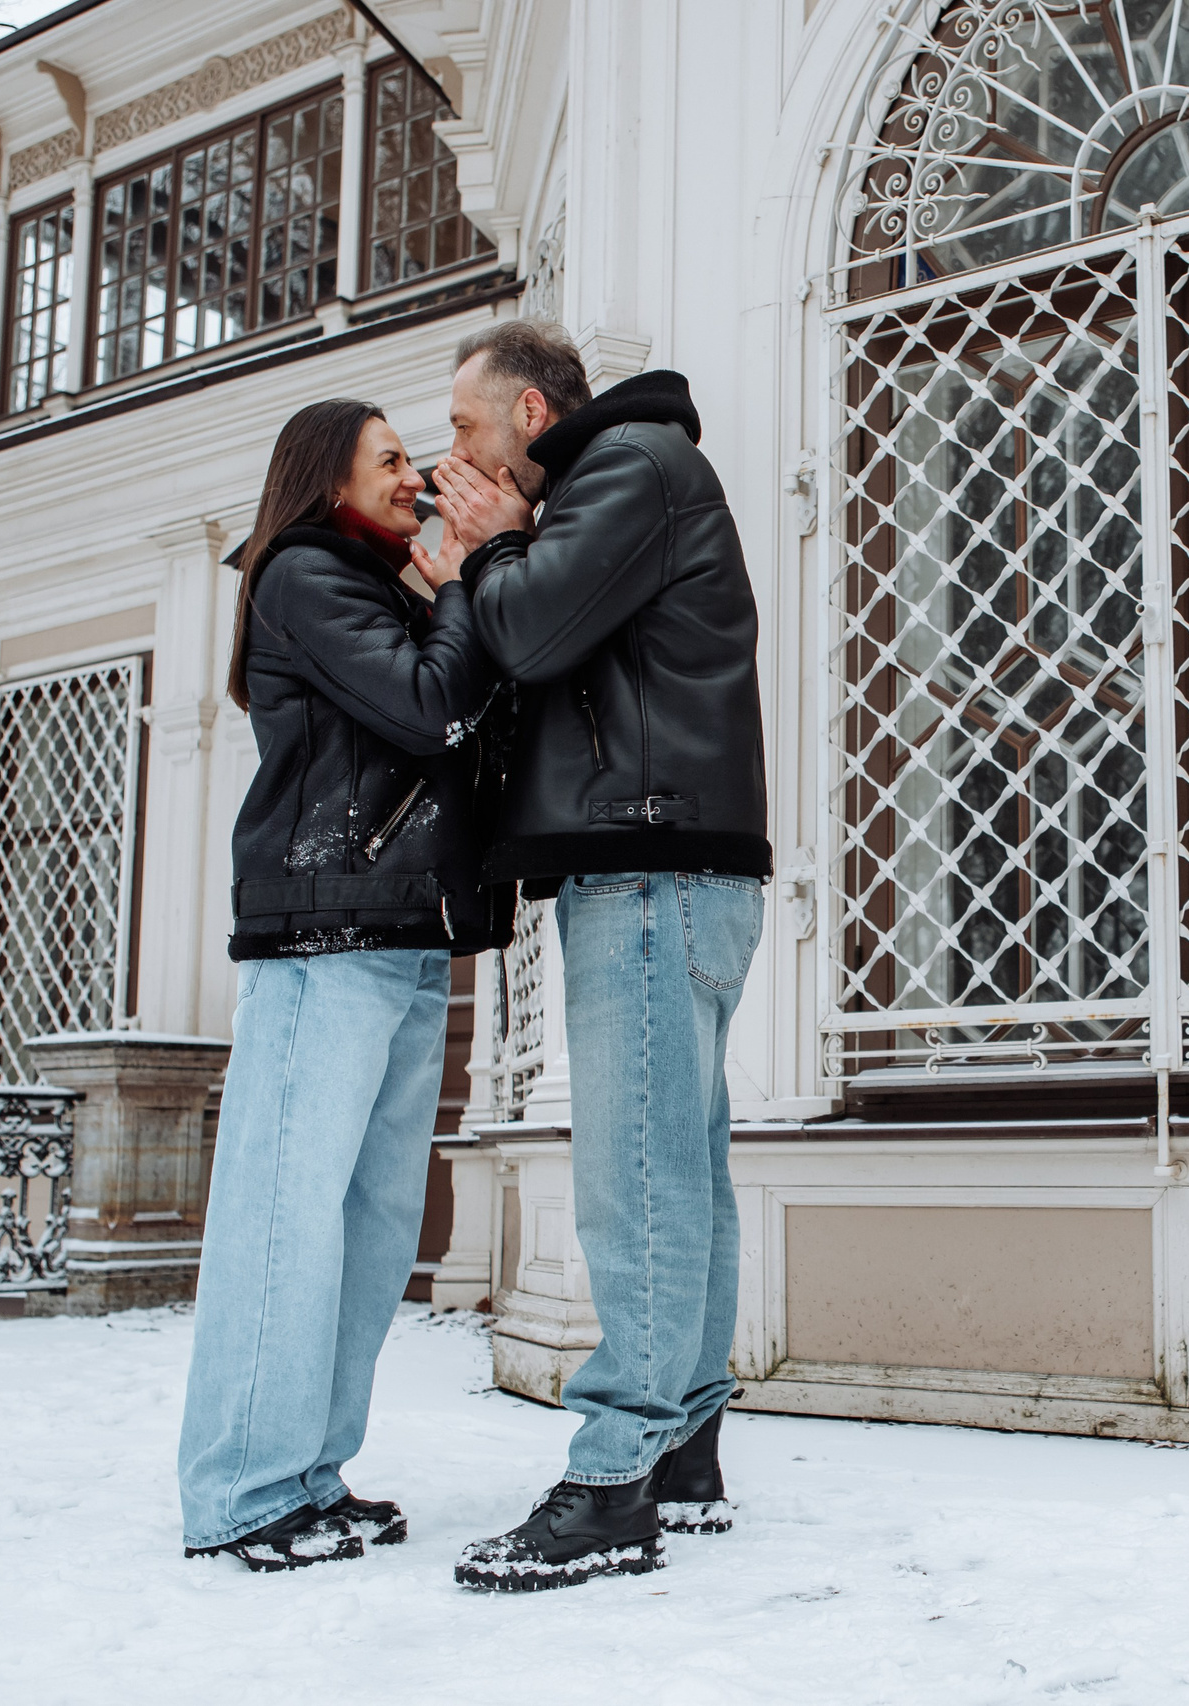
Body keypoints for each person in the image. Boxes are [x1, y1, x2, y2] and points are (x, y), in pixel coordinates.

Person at [417, 321, 769, 1592]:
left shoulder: (626, 465)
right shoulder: (626, 475)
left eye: (461, 427)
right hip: (677, 863)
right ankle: (681, 1448)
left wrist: (484, 548)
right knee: (684, 1166)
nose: (446, 453)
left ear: (522, 411)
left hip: (650, 863)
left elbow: (523, 633)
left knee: (637, 1172)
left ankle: (614, 1470)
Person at [177, 398, 511, 1571]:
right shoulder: (304, 574)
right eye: (389, 457)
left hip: (401, 935)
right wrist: (463, 575)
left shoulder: (375, 588)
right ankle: (242, 1489)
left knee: (367, 1233)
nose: (415, 473)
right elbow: (430, 706)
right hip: (324, 938)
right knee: (285, 1219)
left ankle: (308, 1469)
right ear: (325, 479)